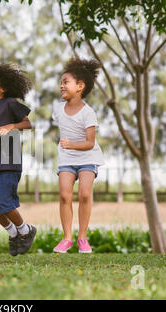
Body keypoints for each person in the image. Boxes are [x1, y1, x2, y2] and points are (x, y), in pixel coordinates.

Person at [0, 63, 36, 256]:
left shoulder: (10, 103)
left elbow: (28, 124)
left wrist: (11, 126)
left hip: (9, 162)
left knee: (4, 202)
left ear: (2, 88)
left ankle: (26, 231)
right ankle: (13, 234)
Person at [52, 57, 104, 254]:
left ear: (80, 86)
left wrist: (72, 144)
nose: (61, 86)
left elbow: (90, 143)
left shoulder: (88, 113)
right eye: (61, 82)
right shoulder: (57, 109)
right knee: (65, 196)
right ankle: (67, 239)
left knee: (84, 194)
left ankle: (82, 238)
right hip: (66, 158)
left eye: (66, 82)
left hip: (88, 157)